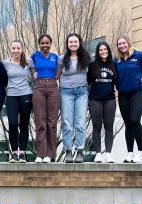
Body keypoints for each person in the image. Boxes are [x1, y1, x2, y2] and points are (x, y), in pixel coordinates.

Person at [58, 33, 91, 163]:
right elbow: (55, 75)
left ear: (79, 43)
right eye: (70, 42)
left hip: (82, 92)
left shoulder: (86, 58)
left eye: (75, 41)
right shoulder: (61, 59)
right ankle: (68, 151)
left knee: (80, 122)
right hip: (66, 92)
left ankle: (80, 150)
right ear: (67, 44)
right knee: (67, 123)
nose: (73, 44)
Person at [31, 34, 60, 163]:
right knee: (40, 121)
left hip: (53, 88)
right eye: (42, 43)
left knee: (52, 122)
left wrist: (55, 78)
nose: (45, 45)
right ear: (39, 44)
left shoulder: (55, 57)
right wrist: (33, 73)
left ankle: (50, 154)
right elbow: (29, 65)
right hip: (39, 88)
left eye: (47, 43)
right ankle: (40, 154)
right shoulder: (35, 56)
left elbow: (59, 69)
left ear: (50, 43)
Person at [3, 40, 33, 163]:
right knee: (13, 123)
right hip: (11, 96)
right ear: (11, 49)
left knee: (24, 125)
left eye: (18, 48)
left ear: (22, 49)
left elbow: (36, 74)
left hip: (26, 95)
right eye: (14, 48)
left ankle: (22, 154)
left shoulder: (29, 62)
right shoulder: (5, 63)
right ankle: (14, 152)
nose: (16, 50)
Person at [87, 41, 117, 163]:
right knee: (96, 127)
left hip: (110, 99)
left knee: (109, 126)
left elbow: (118, 80)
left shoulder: (114, 65)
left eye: (105, 49)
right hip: (95, 99)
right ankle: (98, 154)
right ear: (98, 52)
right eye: (100, 50)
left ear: (108, 51)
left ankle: (108, 154)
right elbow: (87, 81)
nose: (103, 51)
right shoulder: (92, 65)